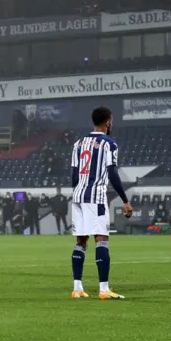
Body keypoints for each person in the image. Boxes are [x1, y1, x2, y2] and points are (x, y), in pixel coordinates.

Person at [70, 106, 133, 300]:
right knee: (102, 239)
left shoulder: (78, 143)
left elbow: (73, 175)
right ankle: (104, 289)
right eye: (111, 120)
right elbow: (112, 172)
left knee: (81, 241)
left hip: (78, 195)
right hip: (95, 196)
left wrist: (78, 193)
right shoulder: (109, 144)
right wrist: (125, 200)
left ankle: (77, 288)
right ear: (107, 122)